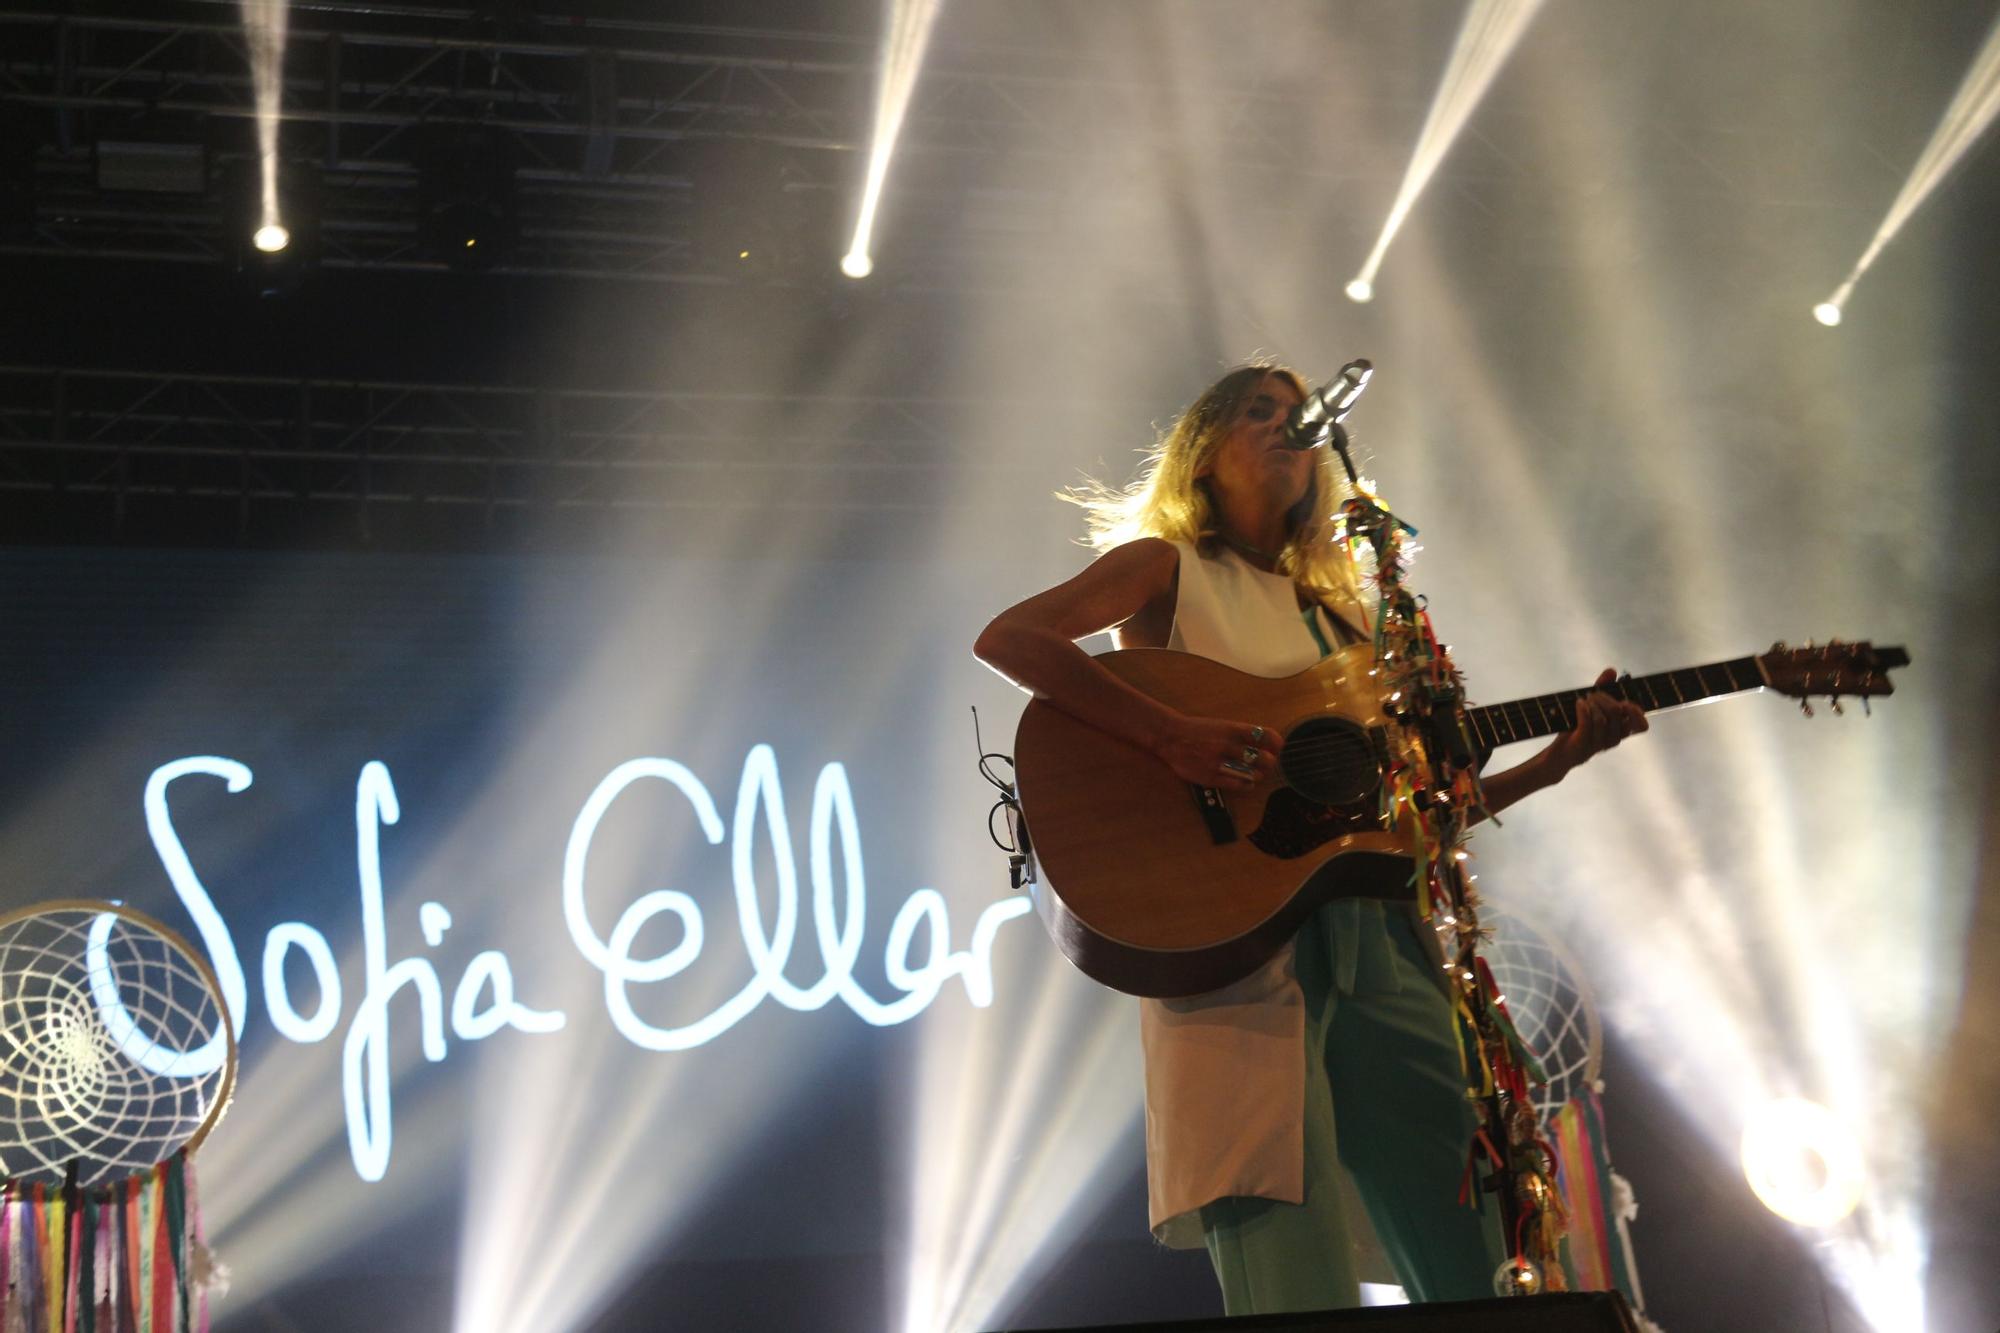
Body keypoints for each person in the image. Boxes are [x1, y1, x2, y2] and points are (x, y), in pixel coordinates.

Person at [973, 363, 1647, 1314]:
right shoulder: (1165, 566)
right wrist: (1170, 734)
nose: (1292, 425)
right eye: (1263, 411)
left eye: (1301, 416)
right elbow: (1013, 639)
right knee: (1290, 1260)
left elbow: (1417, 821)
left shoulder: (1355, 628)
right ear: (1204, 453)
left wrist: (1554, 763)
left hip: (1383, 942)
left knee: (1475, 1240)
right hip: (1232, 939)